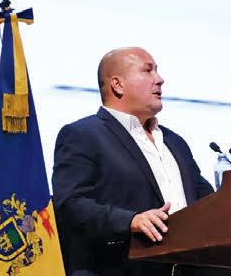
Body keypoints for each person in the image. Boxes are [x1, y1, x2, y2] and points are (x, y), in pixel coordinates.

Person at [52, 47, 214, 276]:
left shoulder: (175, 142)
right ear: (117, 85)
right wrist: (130, 221)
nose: (159, 79)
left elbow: (206, 200)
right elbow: (70, 204)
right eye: (148, 71)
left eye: (156, 71)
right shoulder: (83, 135)